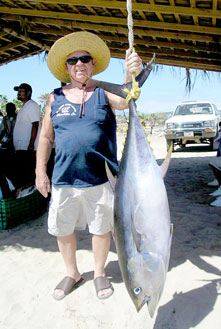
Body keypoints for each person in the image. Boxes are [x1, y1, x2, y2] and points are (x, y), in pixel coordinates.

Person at [35, 31, 142, 301]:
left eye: (85, 59)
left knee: (101, 228)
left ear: (93, 64)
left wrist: (131, 74)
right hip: (63, 177)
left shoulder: (104, 92)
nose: (79, 64)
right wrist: (40, 171)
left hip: (101, 178)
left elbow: (127, 98)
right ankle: (72, 273)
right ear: (66, 67)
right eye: (73, 61)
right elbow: (46, 137)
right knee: (63, 229)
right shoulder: (54, 98)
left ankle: (98, 272)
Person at [13, 83, 41, 187]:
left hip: (27, 148)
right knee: (23, 174)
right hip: (21, 148)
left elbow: (35, 124)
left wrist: (31, 144)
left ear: (28, 93)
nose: (19, 93)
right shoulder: (24, 106)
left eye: (21, 91)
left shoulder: (32, 105)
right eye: (18, 91)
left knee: (29, 174)